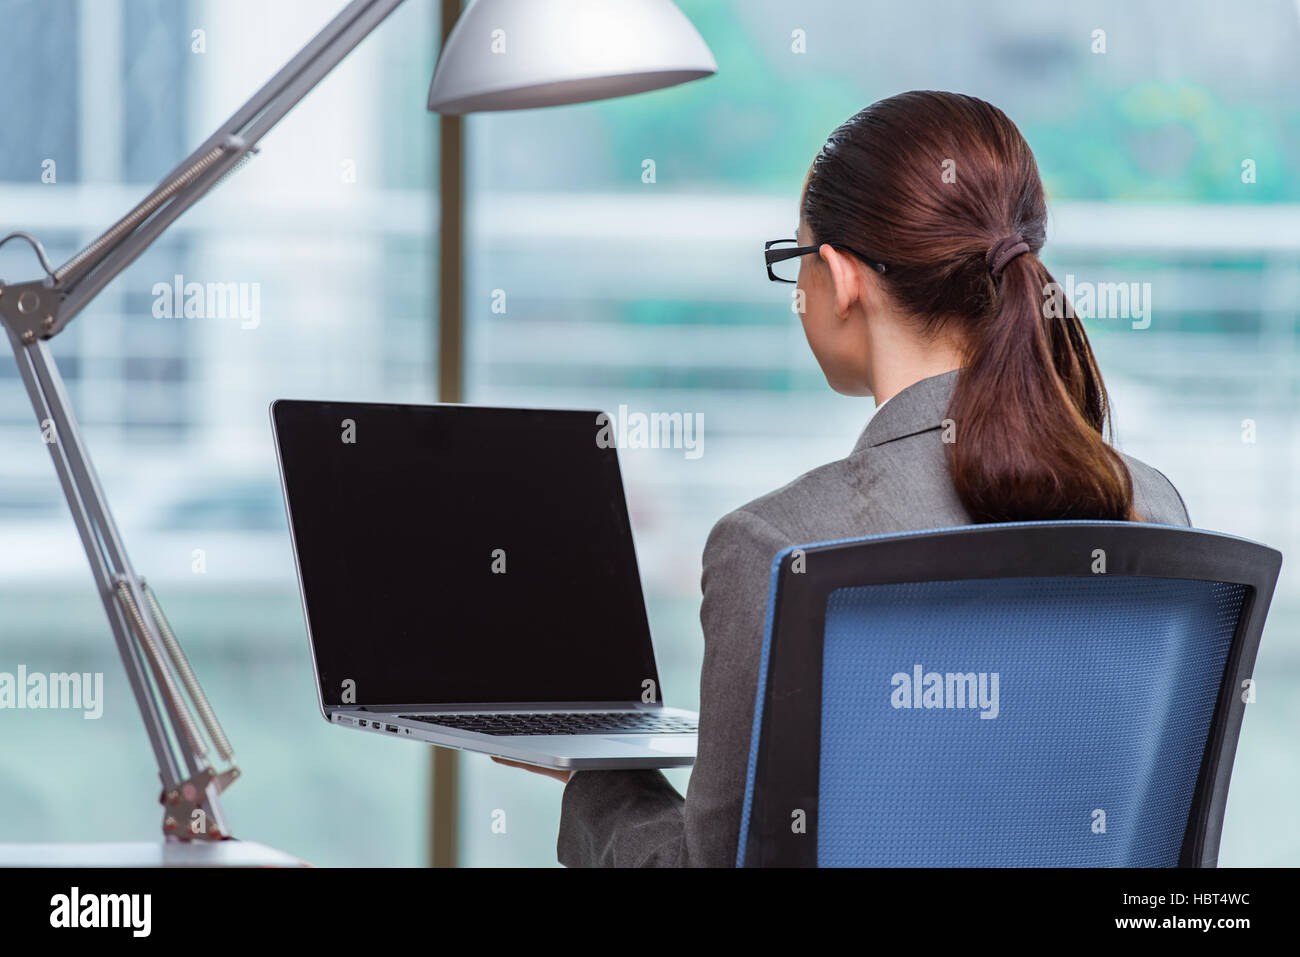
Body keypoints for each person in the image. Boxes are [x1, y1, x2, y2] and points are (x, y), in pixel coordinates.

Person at [495, 90, 1190, 867]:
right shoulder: (1153, 508)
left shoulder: (779, 544)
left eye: (794, 263)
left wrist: (599, 776)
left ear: (840, 276)